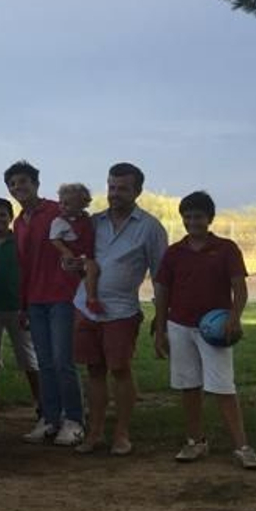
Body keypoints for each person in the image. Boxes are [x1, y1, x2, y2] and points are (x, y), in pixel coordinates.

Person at [153, 191, 256, 469]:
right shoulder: (174, 252)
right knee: (189, 386)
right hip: (180, 325)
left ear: (210, 218)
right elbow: (162, 290)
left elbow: (239, 287)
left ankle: (242, 447)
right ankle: (195, 441)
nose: (193, 222)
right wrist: (161, 328)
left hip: (214, 329)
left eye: (198, 217)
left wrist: (234, 318)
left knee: (223, 386)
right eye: (187, 217)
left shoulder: (226, 249)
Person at [73, 163, 168, 456]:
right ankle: (95, 432)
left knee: (120, 369)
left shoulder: (150, 228)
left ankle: (122, 433)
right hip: (85, 308)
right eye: (111, 187)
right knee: (94, 370)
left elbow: (161, 277)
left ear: (137, 191)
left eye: (122, 188)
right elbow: (78, 259)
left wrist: (161, 319)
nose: (114, 193)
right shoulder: (93, 222)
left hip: (122, 312)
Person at [6, 160, 86, 448]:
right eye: (12, 184)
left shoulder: (57, 211)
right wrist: (23, 305)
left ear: (36, 184)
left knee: (64, 361)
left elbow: (82, 239)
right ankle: (50, 418)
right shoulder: (18, 223)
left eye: (23, 181)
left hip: (62, 296)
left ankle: (74, 420)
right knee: (45, 362)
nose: (18, 187)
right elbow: (23, 266)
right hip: (35, 300)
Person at [0, 198, 40, 410]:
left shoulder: (19, 242)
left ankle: (40, 401)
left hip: (17, 307)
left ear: (10, 217)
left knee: (27, 355)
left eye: (2, 214)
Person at [50, 183, 102, 314]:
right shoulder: (60, 222)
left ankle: (86, 299)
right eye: (61, 203)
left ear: (82, 204)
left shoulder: (87, 219)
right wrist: (66, 251)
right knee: (92, 268)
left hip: (86, 254)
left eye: (67, 204)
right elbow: (54, 239)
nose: (62, 206)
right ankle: (91, 299)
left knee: (89, 273)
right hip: (74, 255)